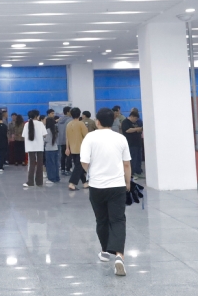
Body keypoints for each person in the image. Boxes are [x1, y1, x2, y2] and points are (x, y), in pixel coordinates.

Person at [81, 107, 131, 277]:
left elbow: (84, 162)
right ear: (113, 120)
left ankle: (105, 252)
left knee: (101, 220)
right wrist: (127, 182)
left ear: (98, 122)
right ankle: (119, 256)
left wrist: (91, 172)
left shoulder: (90, 137)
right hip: (117, 185)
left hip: (97, 186)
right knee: (118, 220)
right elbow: (126, 164)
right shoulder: (121, 138)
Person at [22, 110, 47, 188]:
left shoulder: (26, 124)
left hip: (30, 147)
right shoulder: (40, 124)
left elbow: (24, 136)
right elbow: (45, 135)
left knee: (31, 164)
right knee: (40, 164)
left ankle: (30, 182)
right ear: (36, 116)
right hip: (39, 146)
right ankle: (39, 182)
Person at [66, 108, 89, 191]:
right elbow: (86, 136)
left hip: (72, 148)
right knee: (79, 167)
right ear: (79, 114)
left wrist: (67, 148)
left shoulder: (69, 124)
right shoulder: (81, 124)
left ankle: (85, 183)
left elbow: (67, 137)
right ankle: (72, 183)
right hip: (81, 148)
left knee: (78, 166)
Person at [121, 110, 144, 179]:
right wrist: (136, 129)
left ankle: (138, 171)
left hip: (138, 143)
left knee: (138, 159)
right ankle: (132, 173)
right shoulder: (125, 122)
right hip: (131, 144)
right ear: (132, 116)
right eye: (135, 118)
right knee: (133, 159)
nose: (136, 120)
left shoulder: (136, 123)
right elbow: (127, 130)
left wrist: (139, 129)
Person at [44, 110, 60, 185]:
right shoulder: (56, 130)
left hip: (49, 149)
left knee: (50, 164)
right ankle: (56, 177)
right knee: (56, 164)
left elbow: (46, 140)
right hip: (55, 148)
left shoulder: (47, 130)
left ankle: (51, 178)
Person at [57, 106, 73, 175]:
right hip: (68, 140)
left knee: (63, 156)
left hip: (61, 140)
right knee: (69, 155)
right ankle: (68, 169)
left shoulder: (60, 120)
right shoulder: (70, 120)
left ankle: (62, 169)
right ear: (68, 112)